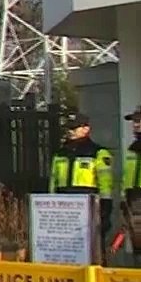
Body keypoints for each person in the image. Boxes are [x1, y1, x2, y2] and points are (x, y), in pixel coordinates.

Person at [49, 112, 115, 263]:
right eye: (68, 128)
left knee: (93, 252)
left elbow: (105, 184)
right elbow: (53, 183)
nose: (70, 131)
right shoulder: (60, 154)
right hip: (63, 209)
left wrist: (105, 210)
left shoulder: (98, 153)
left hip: (88, 208)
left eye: (74, 128)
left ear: (86, 129)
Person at [123, 105, 141, 260]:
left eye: (140, 120)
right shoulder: (132, 148)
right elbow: (127, 176)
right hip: (134, 199)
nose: (135, 124)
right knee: (138, 243)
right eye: (134, 121)